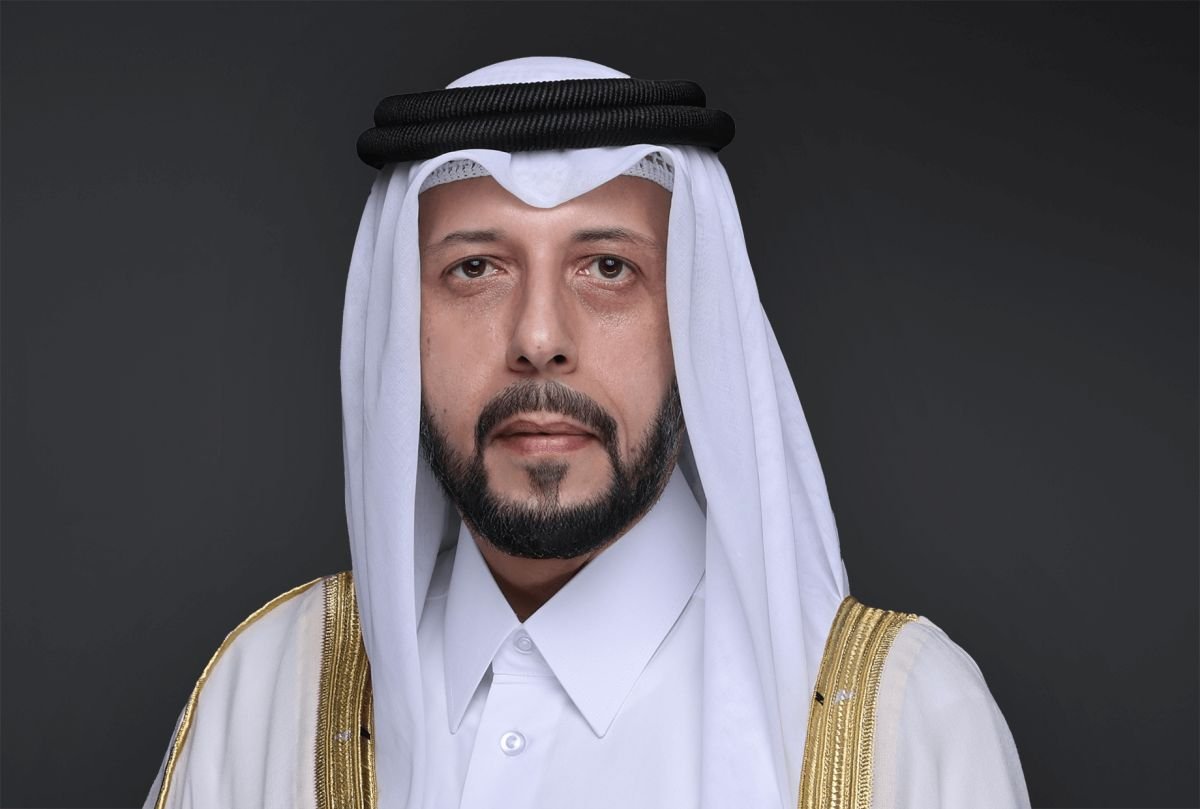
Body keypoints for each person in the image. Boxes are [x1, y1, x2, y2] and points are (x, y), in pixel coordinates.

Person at [143, 56, 1030, 809]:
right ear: (400, 326)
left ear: (692, 319)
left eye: (608, 267)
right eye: (475, 268)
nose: (539, 338)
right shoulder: (269, 695)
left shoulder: (904, 721)